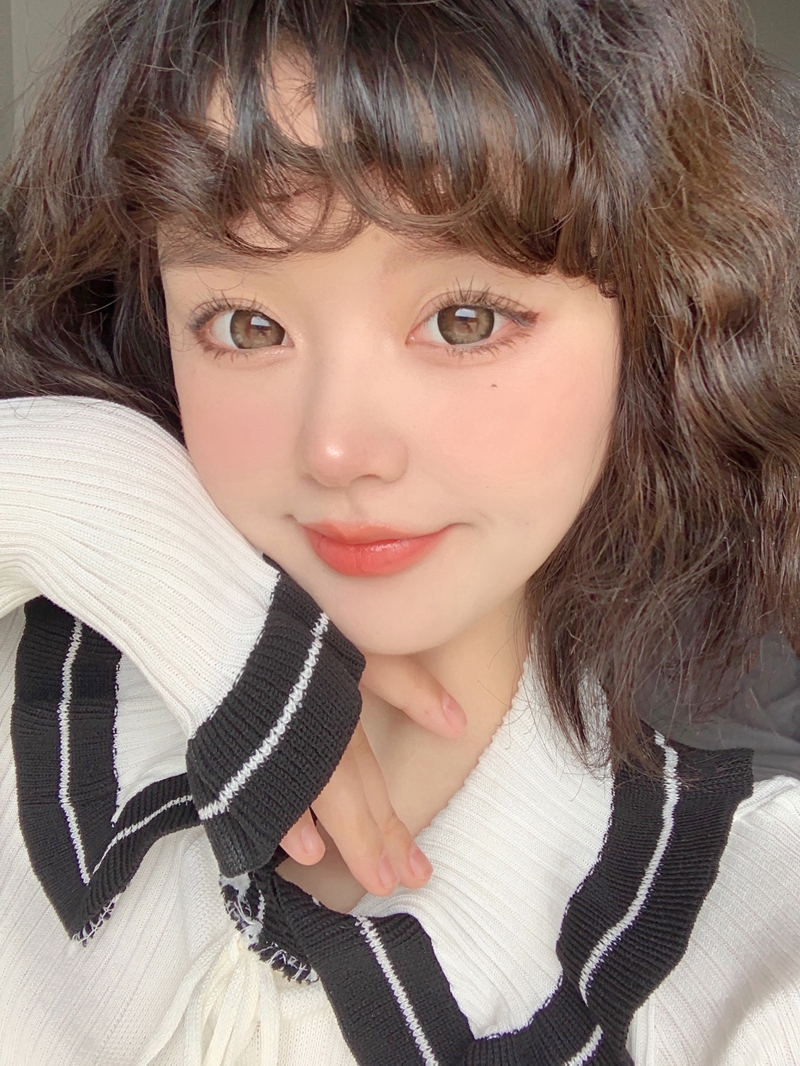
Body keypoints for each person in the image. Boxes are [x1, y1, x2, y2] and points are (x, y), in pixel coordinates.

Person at [2, 0, 800, 1062]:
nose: (338, 449)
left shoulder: (748, 944)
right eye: (245, 324)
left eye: (464, 320)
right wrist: (101, 496)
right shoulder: (36, 703)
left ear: (657, 318)